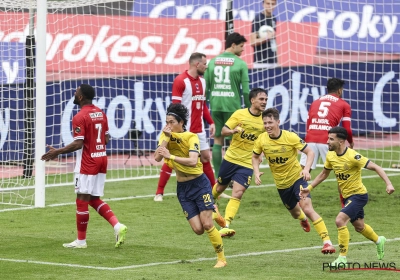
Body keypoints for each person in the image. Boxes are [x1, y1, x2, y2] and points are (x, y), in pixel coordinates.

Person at [41, 84, 127, 248]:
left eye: (76, 92)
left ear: (80, 97)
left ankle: (81, 241)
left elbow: (78, 144)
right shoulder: (100, 113)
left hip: (87, 162)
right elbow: (107, 139)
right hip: (101, 159)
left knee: (81, 199)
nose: (74, 93)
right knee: (93, 198)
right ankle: (118, 226)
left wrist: (57, 152)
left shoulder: (80, 117)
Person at [300, 126, 395, 266]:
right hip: (346, 197)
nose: (327, 142)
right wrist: (309, 188)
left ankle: (342, 258)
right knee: (359, 226)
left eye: (331, 139)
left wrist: (388, 184)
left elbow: (376, 167)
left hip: (359, 196)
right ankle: (379, 240)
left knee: (340, 220)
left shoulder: (353, 156)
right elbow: (324, 174)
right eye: (328, 138)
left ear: (341, 141)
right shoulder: (331, 155)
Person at [252, 107, 335, 254]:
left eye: (270, 122)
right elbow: (254, 156)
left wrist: (306, 169)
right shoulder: (261, 139)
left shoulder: (290, 137)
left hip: (297, 179)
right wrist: (256, 172)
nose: (267, 126)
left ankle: (327, 242)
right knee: (296, 214)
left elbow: (310, 151)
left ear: (278, 122)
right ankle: (302, 219)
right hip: (281, 185)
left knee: (308, 208)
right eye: (265, 123)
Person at [154, 103, 227, 268]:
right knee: (198, 229)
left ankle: (221, 259)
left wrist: (170, 156)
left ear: (181, 123)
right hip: (183, 189)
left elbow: (194, 162)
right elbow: (157, 158)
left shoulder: (191, 137)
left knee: (207, 224)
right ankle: (214, 212)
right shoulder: (165, 135)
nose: (168, 125)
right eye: (166, 122)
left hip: (199, 184)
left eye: (171, 122)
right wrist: (165, 140)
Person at [154, 52, 216, 202]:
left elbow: (202, 106)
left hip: (199, 128)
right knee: (171, 158)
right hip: (183, 129)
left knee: (206, 157)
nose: (206, 67)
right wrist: (172, 125)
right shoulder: (180, 81)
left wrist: (211, 122)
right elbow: (175, 107)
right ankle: (159, 192)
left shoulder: (203, 82)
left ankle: (215, 192)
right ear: (197, 64)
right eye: (205, 64)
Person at [211, 88, 267, 237]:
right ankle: (210, 204)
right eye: (261, 99)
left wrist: (260, 153)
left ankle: (226, 224)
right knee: (220, 187)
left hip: (248, 163)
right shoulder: (239, 114)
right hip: (231, 158)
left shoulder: (265, 120)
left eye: (266, 100)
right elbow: (223, 131)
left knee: (238, 192)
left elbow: (265, 140)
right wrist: (233, 131)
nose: (264, 102)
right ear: (252, 100)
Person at [300, 77, 354, 206]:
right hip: (329, 141)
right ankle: (344, 204)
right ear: (340, 90)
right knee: (341, 174)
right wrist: (350, 142)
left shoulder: (315, 102)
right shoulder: (343, 104)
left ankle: (298, 199)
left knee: (302, 172)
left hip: (311, 139)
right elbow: (347, 129)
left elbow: (308, 124)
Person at [205, 32, 250, 179]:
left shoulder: (212, 62)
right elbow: (246, 91)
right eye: (242, 46)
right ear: (233, 45)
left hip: (216, 105)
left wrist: (204, 107)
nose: (243, 50)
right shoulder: (240, 64)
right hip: (232, 107)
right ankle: (232, 176)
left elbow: (206, 87)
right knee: (234, 142)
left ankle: (219, 177)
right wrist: (249, 109)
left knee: (218, 139)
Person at [250, 0, 278, 68]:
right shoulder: (257, 19)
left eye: (273, 4)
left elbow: (273, 40)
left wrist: (277, 61)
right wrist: (266, 38)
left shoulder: (273, 18)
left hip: (273, 61)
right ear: (263, 4)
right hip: (260, 62)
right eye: (268, 3)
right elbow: (253, 42)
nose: (270, 6)